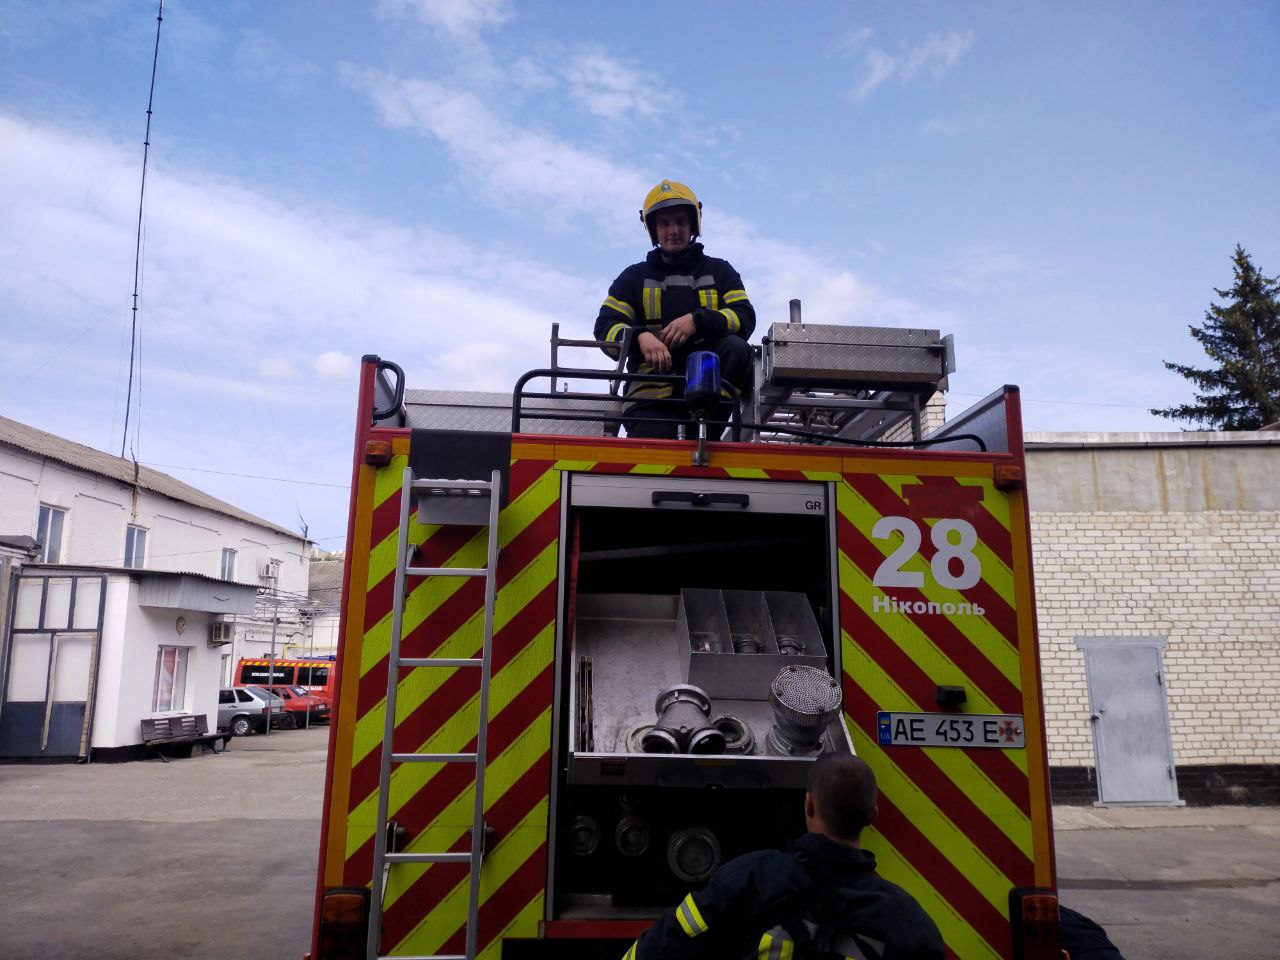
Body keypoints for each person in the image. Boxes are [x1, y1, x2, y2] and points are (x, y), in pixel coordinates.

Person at [621, 754, 945, 960]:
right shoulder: (908, 923)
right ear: (872, 816)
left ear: (808, 805)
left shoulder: (748, 879)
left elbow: (662, 945)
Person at [594, 179, 756, 439]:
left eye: (681, 221)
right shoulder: (633, 278)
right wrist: (639, 337)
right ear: (653, 229)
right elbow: (605, 328)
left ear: (693, 225)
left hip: (710, 401)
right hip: (649, 404)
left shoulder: (720, 271)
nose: (673, 230)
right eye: (664, 223)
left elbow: (744, 317)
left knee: (736, 347)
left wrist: (697, 321)